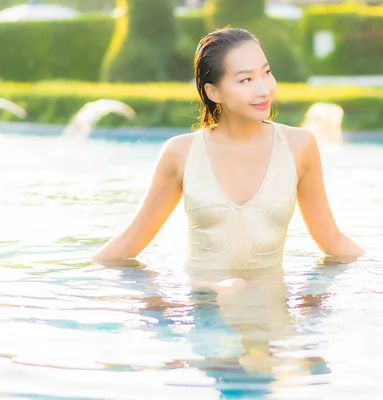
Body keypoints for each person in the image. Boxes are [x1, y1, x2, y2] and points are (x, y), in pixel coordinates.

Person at [92, 27, 364, 271]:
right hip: (202, 306)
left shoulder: (299, 146)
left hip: (270, 314)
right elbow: (130, 242)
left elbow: (332, 241)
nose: (263, 90)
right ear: (213, 92)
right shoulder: (180, 153)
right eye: (246, 80)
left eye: (266, 73)